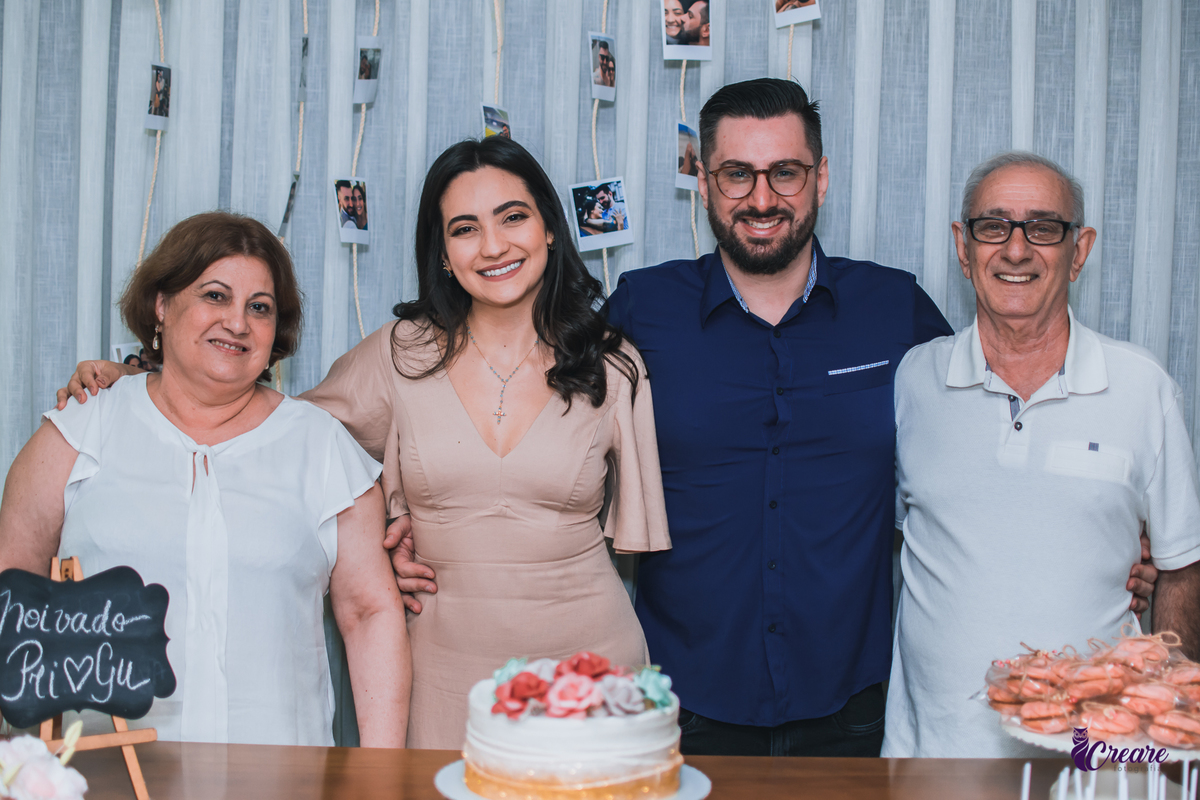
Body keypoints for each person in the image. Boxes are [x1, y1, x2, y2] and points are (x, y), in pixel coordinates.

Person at [57, 137, 671, 751]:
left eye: (513, 217)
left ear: (551, 231)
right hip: (441, 672)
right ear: (443, 254)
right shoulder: (399, 355)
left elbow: (637, 545)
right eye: (464, 228)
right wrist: (144, 382)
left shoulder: (612, 366)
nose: (492, 246)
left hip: (591, 664)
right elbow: (273, 437)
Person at [601, 78, 1155, 757]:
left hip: (854, 709)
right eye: (737, 175)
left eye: (787, 173)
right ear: (705, 180)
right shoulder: (641, 308)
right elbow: (553, 460)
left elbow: (990, 441)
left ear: (822, 178)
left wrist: (1122, 536)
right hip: (678, 705)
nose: (763, 198)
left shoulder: (895, 311)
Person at [7, 212, 409, 747]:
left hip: (280, 778)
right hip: (104, 774)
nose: (238, 323)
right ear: (162, 305)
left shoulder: (322, 444)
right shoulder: (82, 429)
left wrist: (380, 776)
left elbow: (369, 614)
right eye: (215, 296)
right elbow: (13, 596)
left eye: (259, 308)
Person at [881, 152, 1200, 758]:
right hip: (932, 751)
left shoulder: (1141, 387)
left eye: (1044, 228)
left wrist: (1169, 711)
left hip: (1100, 755)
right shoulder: (915, 380)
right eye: (993, 226)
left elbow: (1183, 563)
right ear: (963, 245)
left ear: (1079, 251)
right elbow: (897, 533)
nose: (1017, 250)